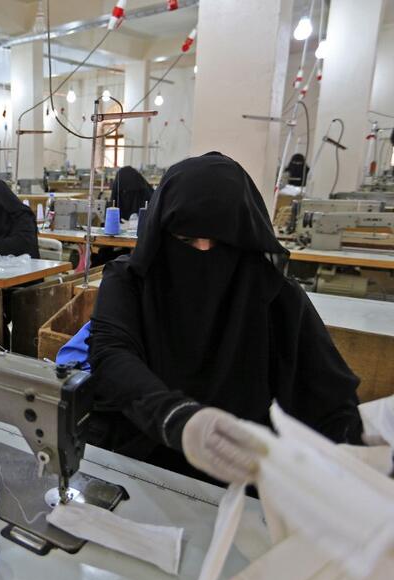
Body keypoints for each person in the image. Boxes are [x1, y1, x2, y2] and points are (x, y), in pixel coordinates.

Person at [88, 152, 364, 485]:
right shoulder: (130, 281)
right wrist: (179, 419)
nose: (203, 251)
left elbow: (330, 397)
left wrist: (360, 452)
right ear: (162, 232)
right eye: (186, 240)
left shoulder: (277, 297)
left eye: (221, 241)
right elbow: (111, 354)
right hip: (143, 459)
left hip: (243, 470)